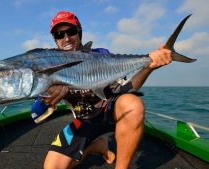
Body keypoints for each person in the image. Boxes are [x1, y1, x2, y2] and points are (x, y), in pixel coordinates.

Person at [31, 11, 172, 169]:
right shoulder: (49, 67)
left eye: (71, 31)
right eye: (59, 34)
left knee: (133, 104)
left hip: (109, 112)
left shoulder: (100, 55)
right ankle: (97, 146)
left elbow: (128, 87)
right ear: (55, 40)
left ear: (79, 33)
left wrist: (149, 67)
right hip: (84, 121)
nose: (66, 38)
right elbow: (36, 115)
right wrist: (47, 99)